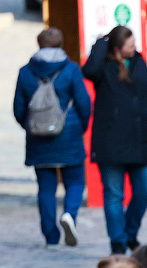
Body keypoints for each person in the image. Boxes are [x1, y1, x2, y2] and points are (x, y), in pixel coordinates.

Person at [83, 26, 147, 255]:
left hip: (140, 140)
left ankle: (130, 233)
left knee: (144, 190)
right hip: (110, 142)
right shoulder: (103, 66)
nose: (134, 47)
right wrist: (100, 44)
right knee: (114, 195)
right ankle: (117, 242)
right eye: (129, 44)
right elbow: (89, 71)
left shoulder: (139, 63)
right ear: (118, 48)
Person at [13, 27, 91, 249]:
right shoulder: (71, 70)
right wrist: (80, 127)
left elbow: (18, 108)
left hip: (39, 139)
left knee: (46, 189)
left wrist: (31, 126)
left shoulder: (25, 72)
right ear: (61, 44)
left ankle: (51, 237)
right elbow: (84, 103)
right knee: (75, 181)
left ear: (39, 45)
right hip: (69, 134)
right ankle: (69, 215)